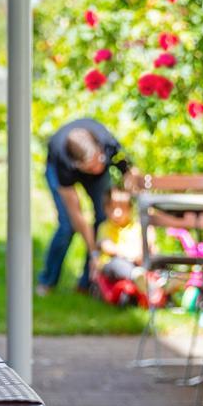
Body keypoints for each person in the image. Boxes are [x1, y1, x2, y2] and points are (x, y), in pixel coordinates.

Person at [36, 118, 130, 296]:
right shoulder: (62, 159)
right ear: (78, 165)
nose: (97, 168)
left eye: (99, 161)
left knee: (103, 218)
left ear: (101, 150)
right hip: (59, 172)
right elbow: (76, 213)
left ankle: (87, 283)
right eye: (91, 166)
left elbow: (131, 174)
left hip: (94, 172)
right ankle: (47, 281)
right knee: (67, 226)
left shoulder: (109, 144)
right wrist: (94, 252)